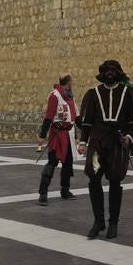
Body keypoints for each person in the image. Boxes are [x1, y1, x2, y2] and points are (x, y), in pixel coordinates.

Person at [77, 59, 133, 239]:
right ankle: (98, 220)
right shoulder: (93, 93)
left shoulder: (128, 92)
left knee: (115, 181)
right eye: (107, 70)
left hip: (117, 142)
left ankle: (113, 222)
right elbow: (87, 120)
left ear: (118, 72)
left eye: (113, 70)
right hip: (97, 142)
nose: (110, 73)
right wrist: (83, 141)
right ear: (102, 74)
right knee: (94, 179)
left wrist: (128, 136)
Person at [37, 73, 77, 205]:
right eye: (72, 80)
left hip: (69, 134)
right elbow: (48, 117)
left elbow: (76, 116)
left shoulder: (71, 96)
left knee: (68, 163)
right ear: (68, 82)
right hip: (57, 134)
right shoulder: (55, 96)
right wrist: (42, 135)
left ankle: (65, 190)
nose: (73, 82)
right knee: (52, 163)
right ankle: (43, 193)